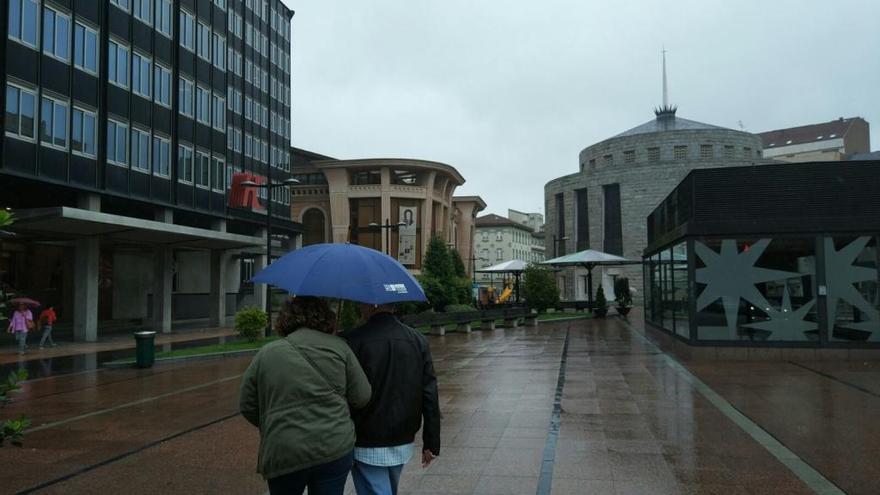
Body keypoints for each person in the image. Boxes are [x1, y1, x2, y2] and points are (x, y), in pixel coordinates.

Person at [239, 297, 372, 495]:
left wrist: (274, 422)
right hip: (333, 446)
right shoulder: (339, 347)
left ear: (285, 319)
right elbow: (362, 396)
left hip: (284, 449)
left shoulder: (267, 353)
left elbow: (247, 404)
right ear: (326, 317)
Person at [343, 304, 441, 495]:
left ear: (371, 305)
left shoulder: (354, 339)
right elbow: (429, 392)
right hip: (402, 435)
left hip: (365, 436)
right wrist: (431, 442)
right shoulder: (417, 339)